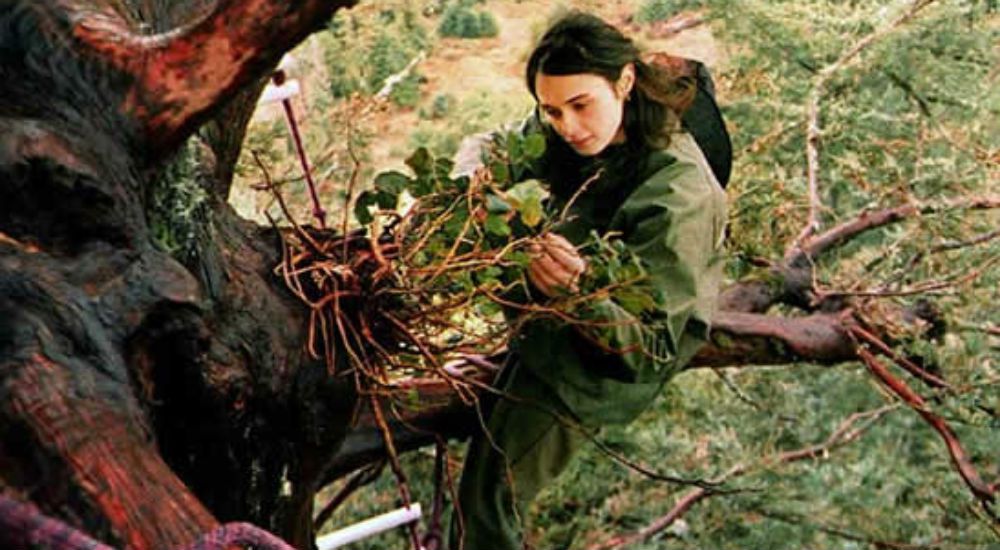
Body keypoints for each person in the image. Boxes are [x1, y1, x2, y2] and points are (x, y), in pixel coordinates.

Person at [448, 11, 728, 550]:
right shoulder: (564, 125)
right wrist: (470, 187)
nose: (568, 126)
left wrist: (579, 295)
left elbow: (649, 351)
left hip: (591, 367)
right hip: (547, 320)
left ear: (624, 82)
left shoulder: (680, 195)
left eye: (581, 105)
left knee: (487, 504)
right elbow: (491, 144)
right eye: (551, 110)